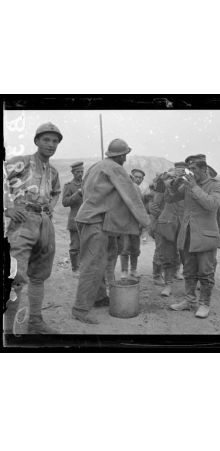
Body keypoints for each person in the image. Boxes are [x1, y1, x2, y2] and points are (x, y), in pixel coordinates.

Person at [71, 139, 149, 324]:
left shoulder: (96, 166)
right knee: (92, 265)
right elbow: (131, 196)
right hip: (95, 222)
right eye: (125, 155)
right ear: (122, 155)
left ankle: (98, 298)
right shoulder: (115, 168)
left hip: (90, 219)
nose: (125, 158)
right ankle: (80, 309)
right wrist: (145, 221)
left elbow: (85, 190)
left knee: (101, 260)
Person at [4, 122, 63, 334]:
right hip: (23, 220)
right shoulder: (22, 162)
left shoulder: (53, 171)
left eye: (55, 141)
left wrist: (50, 208)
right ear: (36, 141)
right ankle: (8, 331)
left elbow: (56, 192)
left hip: (44, 221)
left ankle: (35, 321)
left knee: (39, 274)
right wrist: (8, 206)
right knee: (16, 277)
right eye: (46, 139)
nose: (51, 144)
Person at [168, 154, 220, 319]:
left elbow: (212, 204)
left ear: (204, 169)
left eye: (194, 169)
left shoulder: (216, 186)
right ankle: (189, 301)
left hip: (206, 237)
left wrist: (193, 187)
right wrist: (174, 184)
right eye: (189, 169)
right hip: (188, 235)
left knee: (206, 272)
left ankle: (204, 304)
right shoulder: (188, 184)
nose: (191, 172)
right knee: (189, 270)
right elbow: (170, 198)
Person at [150, 164, 186, 297]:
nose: (179, 174)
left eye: (182, 171)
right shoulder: (165, 184)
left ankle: (189, 289)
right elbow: (157, 195)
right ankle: (168, 284)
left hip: (184, 226)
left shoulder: (189, 184)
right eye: (177, 172)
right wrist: (166, 176)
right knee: (167, 256)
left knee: (187, 257)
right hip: (168, 226)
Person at [117, 168, 146, 277]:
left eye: (140, 178)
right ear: (132, 177)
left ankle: (133, 270)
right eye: (136, 177)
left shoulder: (139, 190)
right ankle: (124, 270)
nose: (138, 179)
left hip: (135, 224)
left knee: (135, 249)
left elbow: (141, 207)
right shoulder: (125, 188)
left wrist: (141, 223)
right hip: (125, 223)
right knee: (124, 248)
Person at [62, 161, 84, 275]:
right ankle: (75, 269)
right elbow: (65, 202)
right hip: (75, 220)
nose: (80, 174)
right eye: (78, 172)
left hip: (87, 220)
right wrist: (77, 194)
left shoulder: (87, 184)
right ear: (73, 173)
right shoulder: (69, 186)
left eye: (82, 171)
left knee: (87, 245)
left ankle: (84, 268)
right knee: (75, 246)